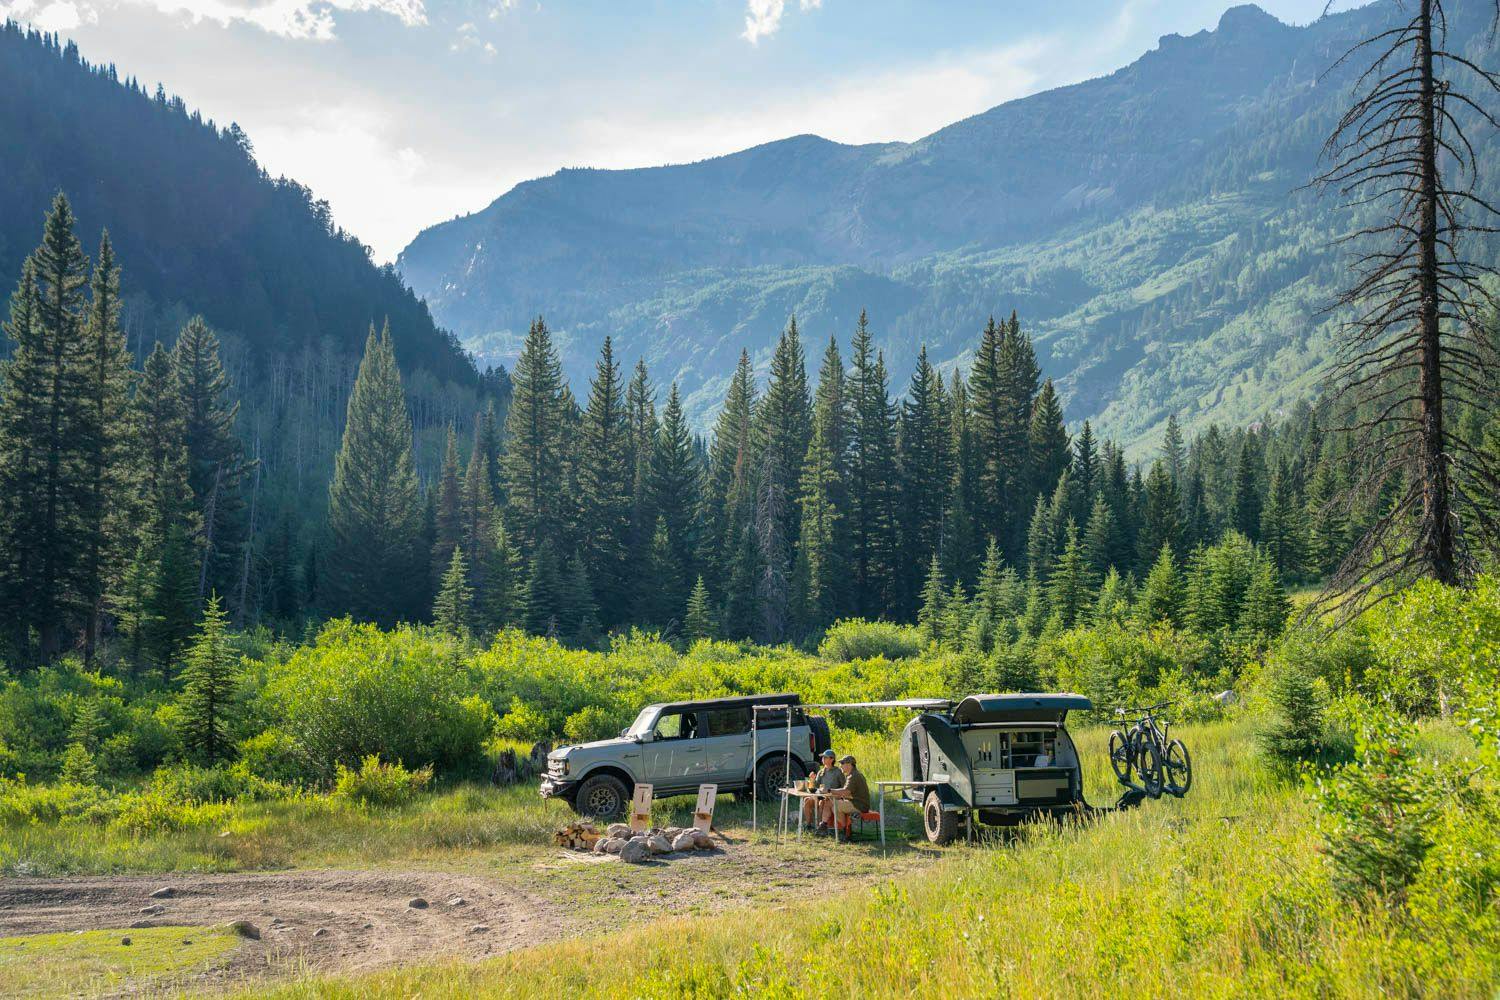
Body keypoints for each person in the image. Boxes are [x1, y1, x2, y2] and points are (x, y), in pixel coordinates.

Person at [819, 754, 871, 835]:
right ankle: (827, 825)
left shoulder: (853, 776)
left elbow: (846, 791)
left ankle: (845, 831)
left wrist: (829, 790)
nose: (840, 766)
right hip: (857, 803)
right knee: (830, 803)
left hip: (859, 805)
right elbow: (848, 793)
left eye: (842, 763)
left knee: (835, 806)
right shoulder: (853, 774)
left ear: (849, 764)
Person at [805, 749, 843, 827]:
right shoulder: (821, 771)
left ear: (832, 759)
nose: (823, 759)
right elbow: (816, 786)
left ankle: (819, 827)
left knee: (822, 802)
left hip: (832, 797)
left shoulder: (838, 771)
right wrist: (812, 779)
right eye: (822, 757)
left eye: (825, 757)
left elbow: (844, 787)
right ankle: (808, 825)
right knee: (807, 800)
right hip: (821, 796)